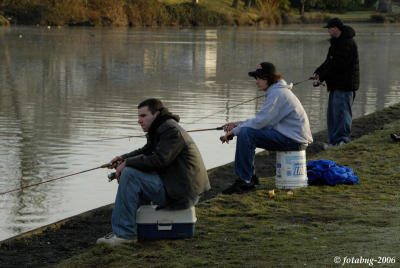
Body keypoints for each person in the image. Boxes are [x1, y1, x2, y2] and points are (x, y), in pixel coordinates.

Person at [97, 98, 210, 246]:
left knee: (130, 175)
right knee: (131, 171)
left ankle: (125, 234)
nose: (139, 121)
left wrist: (127, 164)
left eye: (143, 116)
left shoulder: (170, 130)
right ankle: (129, 228)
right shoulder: (162, 127)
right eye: (138, 117)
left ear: (156, 114)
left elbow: (158, 160)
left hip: (182, 193)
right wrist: (123, 158)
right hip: (176, 186)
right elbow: (147, 151)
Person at [220, 62, 313, 194]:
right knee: (246, 131)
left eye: (260, 78)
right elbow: (263, 120)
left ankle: (245, 180)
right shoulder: (276, 91)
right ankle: (249, 177)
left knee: (246, 133)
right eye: (256, 78)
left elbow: (260, 123)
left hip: (294, 141)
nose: (257, 82)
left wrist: (234, 131)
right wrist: (237, 124)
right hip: (291, 137)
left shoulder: (277, 94)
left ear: (269, 79)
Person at [313, 17, 360, 148]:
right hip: (335, 85)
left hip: (345, 86)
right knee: (333, 115)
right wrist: (318, 72)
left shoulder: (347, 43)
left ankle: (342, 141)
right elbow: (329, 62)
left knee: (342, 114)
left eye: (329, 28)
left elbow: (338, 65)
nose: (328, 31)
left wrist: (322, 76)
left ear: (335, 28)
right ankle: (334, 142)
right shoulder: (336, 43)